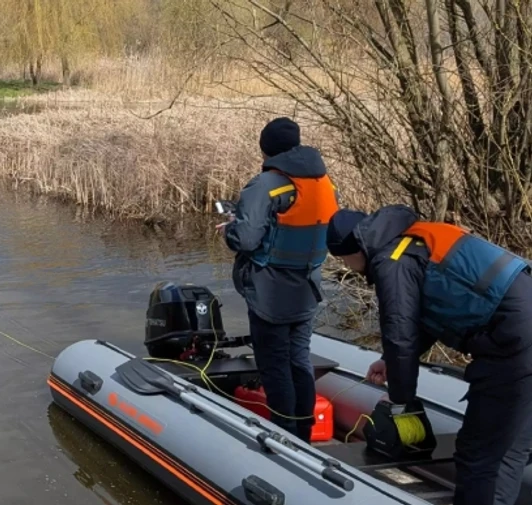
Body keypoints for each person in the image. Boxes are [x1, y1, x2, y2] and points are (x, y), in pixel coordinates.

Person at [325, 203, 532, 505]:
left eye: (343, 258)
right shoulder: (411, 241)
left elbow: (399, 335)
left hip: (513, 343)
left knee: (479, 455)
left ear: (354, 250)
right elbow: (432, 314)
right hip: (519, 329)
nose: (346, 266)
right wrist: (388, 361)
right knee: (511, 449)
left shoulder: (391, 262)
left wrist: (400, 401)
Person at [217, 117, 339, 442]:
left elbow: (244, 240)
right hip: (308, 289)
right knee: (299, 360)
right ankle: (304, 430)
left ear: (266, 148)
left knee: (274, 365)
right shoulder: (322, 181)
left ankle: (285, 435)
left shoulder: (265, 184)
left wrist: (231, 227)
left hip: (270, 292)